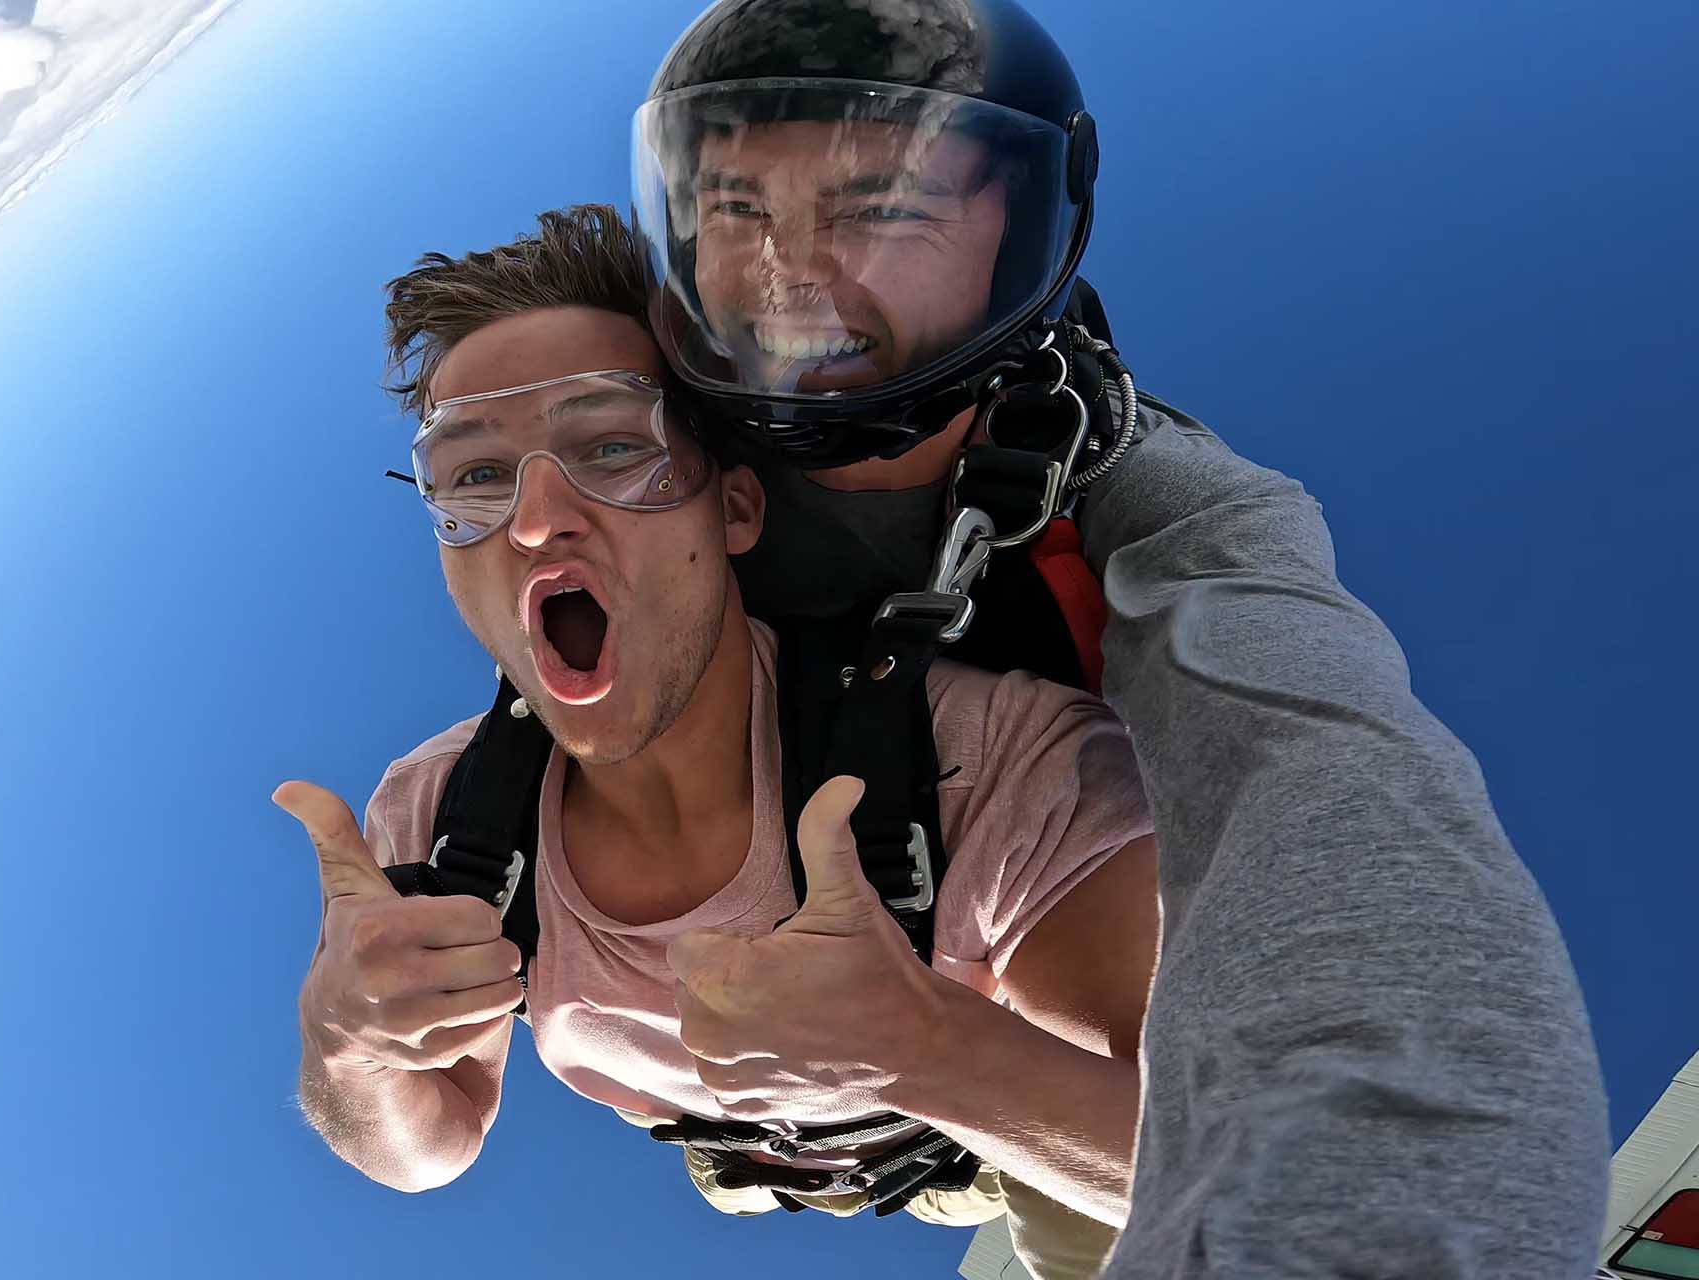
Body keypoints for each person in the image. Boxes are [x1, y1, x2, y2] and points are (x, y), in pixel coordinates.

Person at [628, 1, 1612, 1276]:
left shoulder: (1158, 499)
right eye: (737, 210)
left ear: (1017, 230)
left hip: (1039, 1045)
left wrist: (1388, 1205)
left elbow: (1319, 777)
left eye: (882, 206)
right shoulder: (604, 441)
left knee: (1112, 1189)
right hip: (737, 1080)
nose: (792, 276)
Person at [279, 206, 1156, 1277]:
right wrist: (346, 1049)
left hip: (995, 1140)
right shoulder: (439, 822)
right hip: (736, 1167)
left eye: (612, 445)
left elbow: (1246, 1145)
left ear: (736, 507)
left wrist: (925, 1045)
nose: (535, 520)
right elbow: (431, 1142)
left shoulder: (993, 769)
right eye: (472, 475)